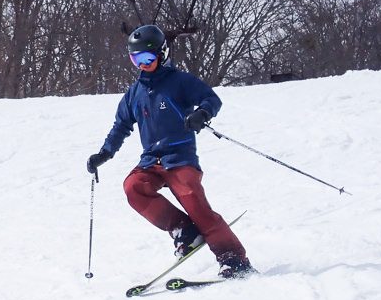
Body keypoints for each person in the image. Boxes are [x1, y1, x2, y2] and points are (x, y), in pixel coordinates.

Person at [87, 24, 255, 278]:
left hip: (180, 157)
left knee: (195, 203)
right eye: (136, 60)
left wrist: (202, 113)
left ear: (162, 53)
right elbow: (121, 126)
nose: (142, 65)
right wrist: (105, 153)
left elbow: (211, 99)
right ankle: (184, 231)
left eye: (147, 58)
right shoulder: (134, 94)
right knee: (133, 187)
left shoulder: (180, 82)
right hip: (151, 161)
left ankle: (233, 258)